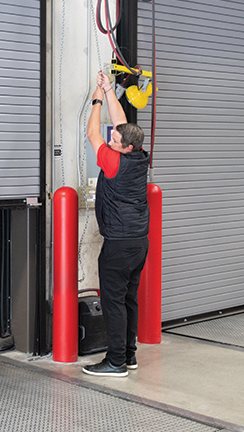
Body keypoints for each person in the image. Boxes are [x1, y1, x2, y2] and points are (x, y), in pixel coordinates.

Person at [82, 70, 150, 378]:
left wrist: (96, 100)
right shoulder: (139, 156)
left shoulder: (113, 161)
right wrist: (109, 90)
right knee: (128, 299)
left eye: (115, 140)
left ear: (126, 147)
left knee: (113, 302)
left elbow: (92, 133)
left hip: (119, 245)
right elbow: (121, 124)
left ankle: (115, 362)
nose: (111, 138)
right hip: (138, 243)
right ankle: (129, 355)